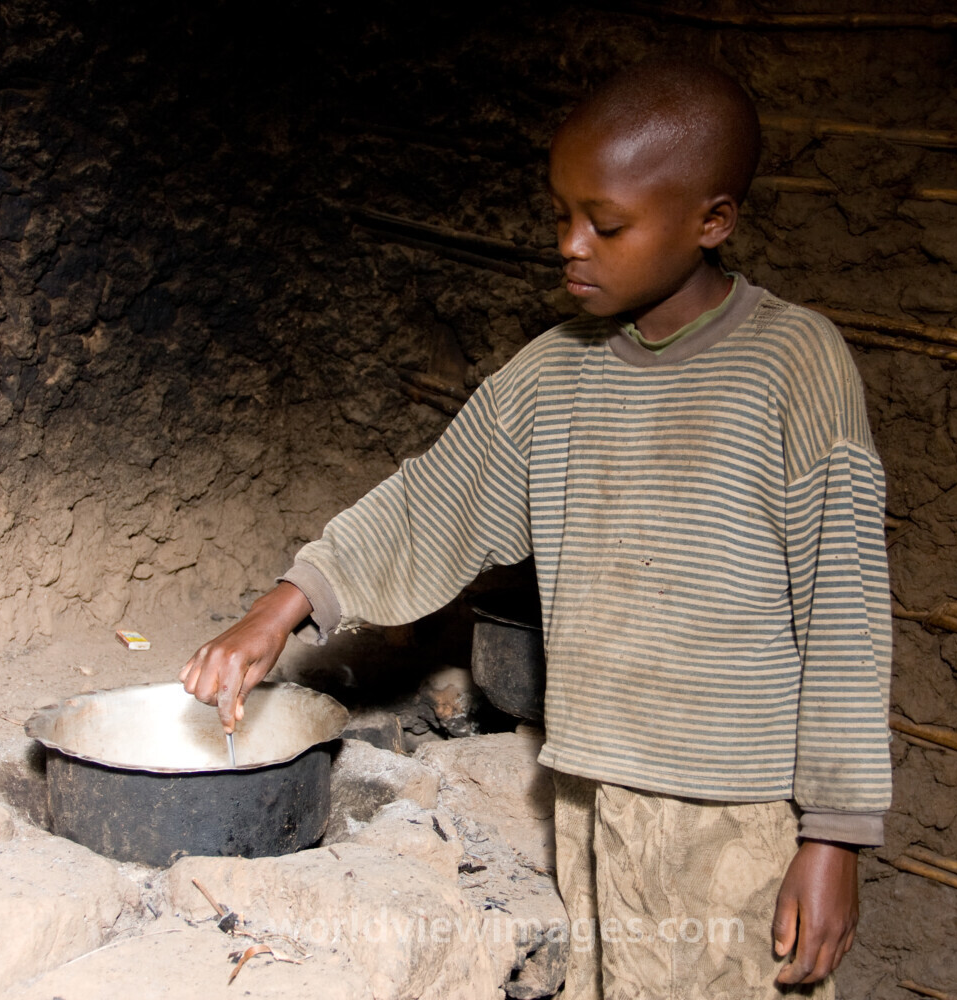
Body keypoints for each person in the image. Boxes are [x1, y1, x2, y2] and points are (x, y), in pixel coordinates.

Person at [180, 58, 892, 1000]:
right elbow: (431, 496)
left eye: (607, 223)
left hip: (733, 820)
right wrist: (285, 605)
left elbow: (846, 608)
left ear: (711, 221)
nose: (571, 245)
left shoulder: (795, 365)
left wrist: (832, 834)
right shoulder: (556, 374)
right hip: (591, 796)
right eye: (561, 214)